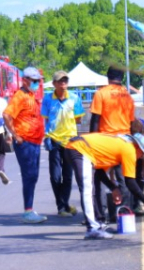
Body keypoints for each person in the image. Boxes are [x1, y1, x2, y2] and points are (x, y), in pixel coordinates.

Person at [65, 132, 144, 240]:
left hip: (78, 147)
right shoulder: (130, 149)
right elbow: (130, 182)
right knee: (87, 190)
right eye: (142, 154)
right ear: (138, 147)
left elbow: (100, 173)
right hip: (80, 149)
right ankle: (93, 229)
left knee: (90, 189)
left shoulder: (120, 145)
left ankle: (98, 225)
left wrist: (114, 188)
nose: (140, 157)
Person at [89, 65, 135, 224]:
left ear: (107, 76)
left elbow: (95, 120)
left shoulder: (101, 94)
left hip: (105, 142)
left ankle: (100, 215)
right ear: (122, 77)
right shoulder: (128, 96)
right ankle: (123, 215)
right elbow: (131, 121)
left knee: (98, 178)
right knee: (125, 179)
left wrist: (91, 142)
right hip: (124, 141)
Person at [3, 66, 47, 224]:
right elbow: (7, 115)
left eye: (38, 81)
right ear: (25, 80)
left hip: (35, 142)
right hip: (25, 142)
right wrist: (15, 135)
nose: (37, 84)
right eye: (34, 81)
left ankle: (30, 208)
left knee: (33, 175)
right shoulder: (20, 96)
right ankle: (28, 211)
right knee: (29, 175)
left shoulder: (31, 96)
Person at [41, 70, 85, 217]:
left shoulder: (74, 98)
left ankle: (63, 206)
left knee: (67, 175)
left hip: (70, 141)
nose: (63, 83)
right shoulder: (47, 99)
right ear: (54, 84)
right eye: (60, 81)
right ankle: (62, 205)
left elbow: (78, 119)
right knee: (55, 176)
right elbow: (45, 119)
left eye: (65, 80)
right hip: (53, 140)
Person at [130, 118, 144, 214]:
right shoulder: (128, 138)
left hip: (140, 153)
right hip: (129, 153)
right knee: (131, 178)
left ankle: (139, 202)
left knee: (141, 178)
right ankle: (133, 204)